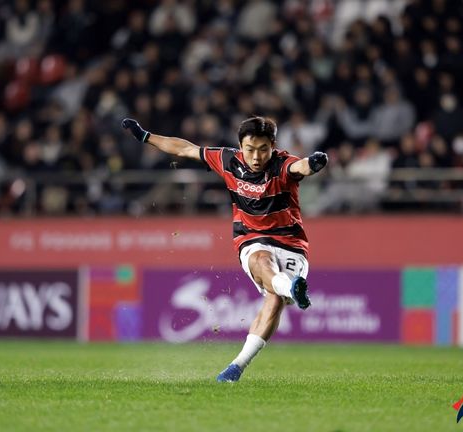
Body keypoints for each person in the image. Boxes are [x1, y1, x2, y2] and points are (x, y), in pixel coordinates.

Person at [121, 116, 328, 382]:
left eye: (263, 149)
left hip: (291, 243)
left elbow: (300, 167)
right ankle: (291, 288)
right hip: (251, 238)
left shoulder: (282, 164)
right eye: (250, 149)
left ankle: (237, 366)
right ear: (240, 145)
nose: (256, 156)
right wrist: (145, 136)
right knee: (262, 260)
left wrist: (314, 162)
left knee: (274, 300)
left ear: (273, 146)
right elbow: (184, 148)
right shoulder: (228, 160)